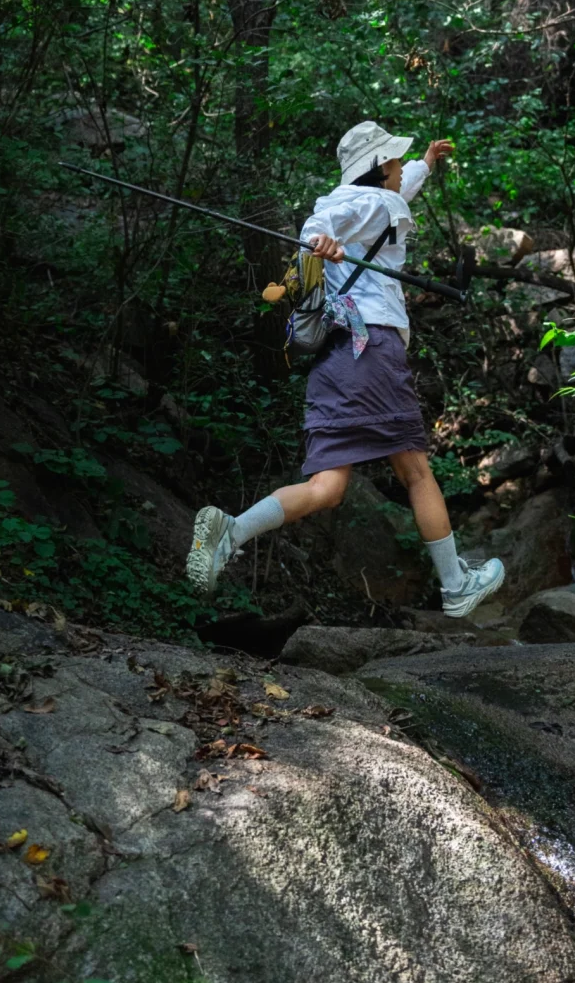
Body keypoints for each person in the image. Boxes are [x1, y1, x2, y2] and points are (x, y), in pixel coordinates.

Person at [185, 119, 505, 620]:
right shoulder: (374, 204)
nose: (401, 171)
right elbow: (331, 222)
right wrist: (319, 240)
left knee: (326, 489)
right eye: (396, 163)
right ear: (379, 169)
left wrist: (424, 163)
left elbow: (366, 202)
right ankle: (456, 584)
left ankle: (233, 531)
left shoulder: (366, 200)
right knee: (417, 472)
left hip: (335, 357)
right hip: (372, 349)